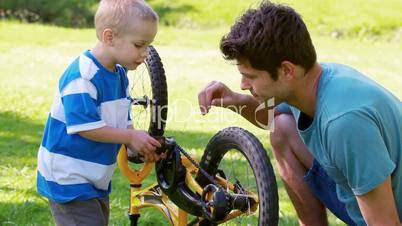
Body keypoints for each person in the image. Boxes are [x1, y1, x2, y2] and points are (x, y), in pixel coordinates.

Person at [198, 1, 402, 225]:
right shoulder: (314, 81)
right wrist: (234, 101)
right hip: (361, 199)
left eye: (252, 76)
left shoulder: (344, 123)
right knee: (283, 129)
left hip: (388, 213)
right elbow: (272, 115)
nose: (244, 84)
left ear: (286, 70)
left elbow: (386, 222)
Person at [36, 0, 163, 225]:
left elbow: (122, 121)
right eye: (139, 44)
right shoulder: (83, 76)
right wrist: (129, 137)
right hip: (69, 178)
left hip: (94, 178)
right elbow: (86, 127)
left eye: (149, 45)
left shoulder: (119, 75)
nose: (145, 53)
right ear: (109, 37)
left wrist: (138, 143)